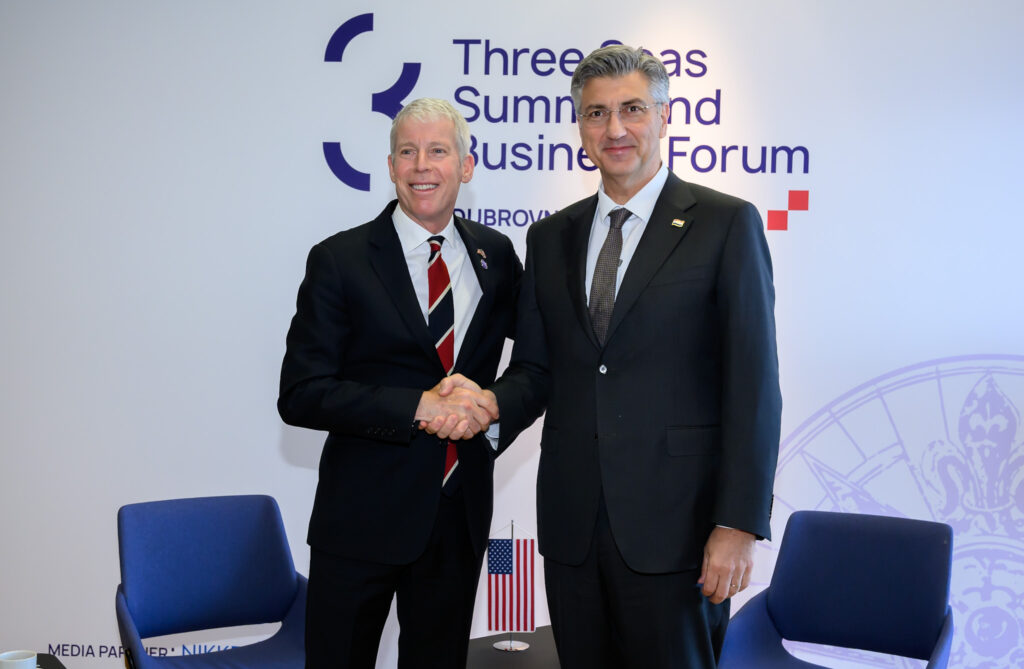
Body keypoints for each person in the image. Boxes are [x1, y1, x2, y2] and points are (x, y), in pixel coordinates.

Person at [433, 45, 782, 668]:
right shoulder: (550, 237)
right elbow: (537, 370)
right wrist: (486, 404)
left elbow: (754, 386)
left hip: (679, 533)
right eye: (596, 113)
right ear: (580, 128)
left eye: (632, 109)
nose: (614, 128)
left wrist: (737, 524)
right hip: (572, 529)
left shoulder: (726, 224)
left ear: (664, 116)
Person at [278, 97, 520, 669]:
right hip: (359, 521)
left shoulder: (496, 255)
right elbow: (301, 393)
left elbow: (537, 363)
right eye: (407, 152)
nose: (421, 166)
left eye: (438, 151)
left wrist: (490, 406)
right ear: (390, 167)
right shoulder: (339, 260)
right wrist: (416, 407)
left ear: (466, 165)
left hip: (457, 515)